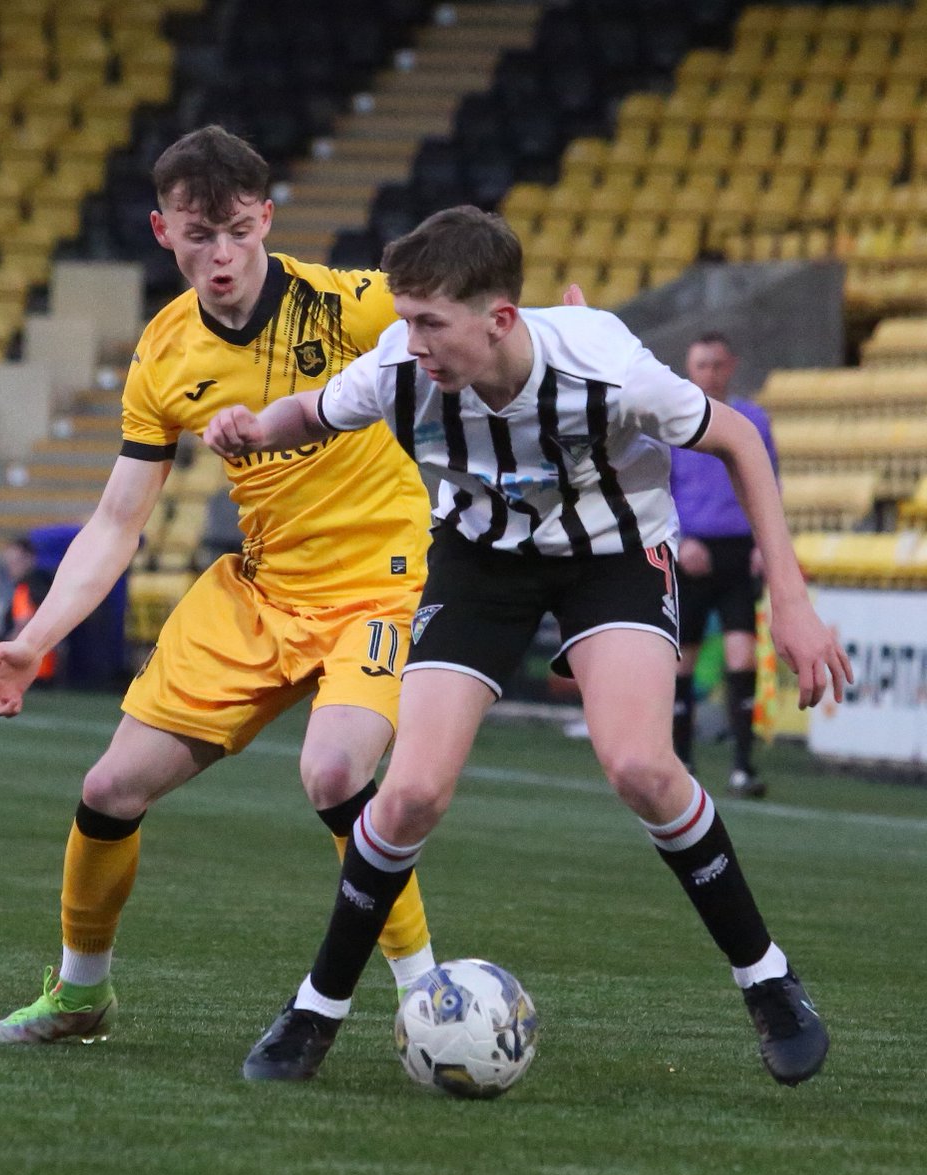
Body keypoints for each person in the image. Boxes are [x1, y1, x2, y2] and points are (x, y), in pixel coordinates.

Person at [204, 206, 852, 1088]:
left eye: (431, 321)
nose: (412, 339)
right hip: (481, 561)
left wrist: (792, 600)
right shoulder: (402, 367)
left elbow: (737, 438)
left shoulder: (609, 372)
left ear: (500, 319)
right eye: (406, 318)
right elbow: (313, 412)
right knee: (410, 796)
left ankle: (769, 983)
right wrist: (249, 426)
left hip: (613, 557)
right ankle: (316, 1008)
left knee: (642, 770)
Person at [0, 125, 437, 1044]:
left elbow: (464, 312)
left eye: (236, 233)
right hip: (258, 593)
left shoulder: (345, 307)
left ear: (265, 219)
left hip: (376, 585)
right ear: (161, 230)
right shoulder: (165, 353)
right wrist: (34, 641)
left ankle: (426, 993)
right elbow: (117, 522)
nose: (219, 257)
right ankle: (80, 995)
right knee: (109, 790)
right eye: (196, 235)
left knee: (333, 770)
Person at [670, 333, 779, 798]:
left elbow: (768, 483)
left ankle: (742, 766)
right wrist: (677, 540)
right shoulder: (671, 421)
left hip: (736, 550)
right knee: (682, 661)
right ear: (689, 369)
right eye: (701, 365)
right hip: (690, 551)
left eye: (716, 364)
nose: (710, 372)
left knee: (741, 656)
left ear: (730, 365)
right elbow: (655, 487)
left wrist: (764, 543)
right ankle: (682, 763)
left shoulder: (752, 419)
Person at [0, 537, 57, 685]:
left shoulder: (30, 587)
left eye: (16, 562)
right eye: (9, 563)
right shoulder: (29, 586)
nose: (11, 568)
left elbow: (23, 625)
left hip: (34, 670)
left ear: (30, 559)